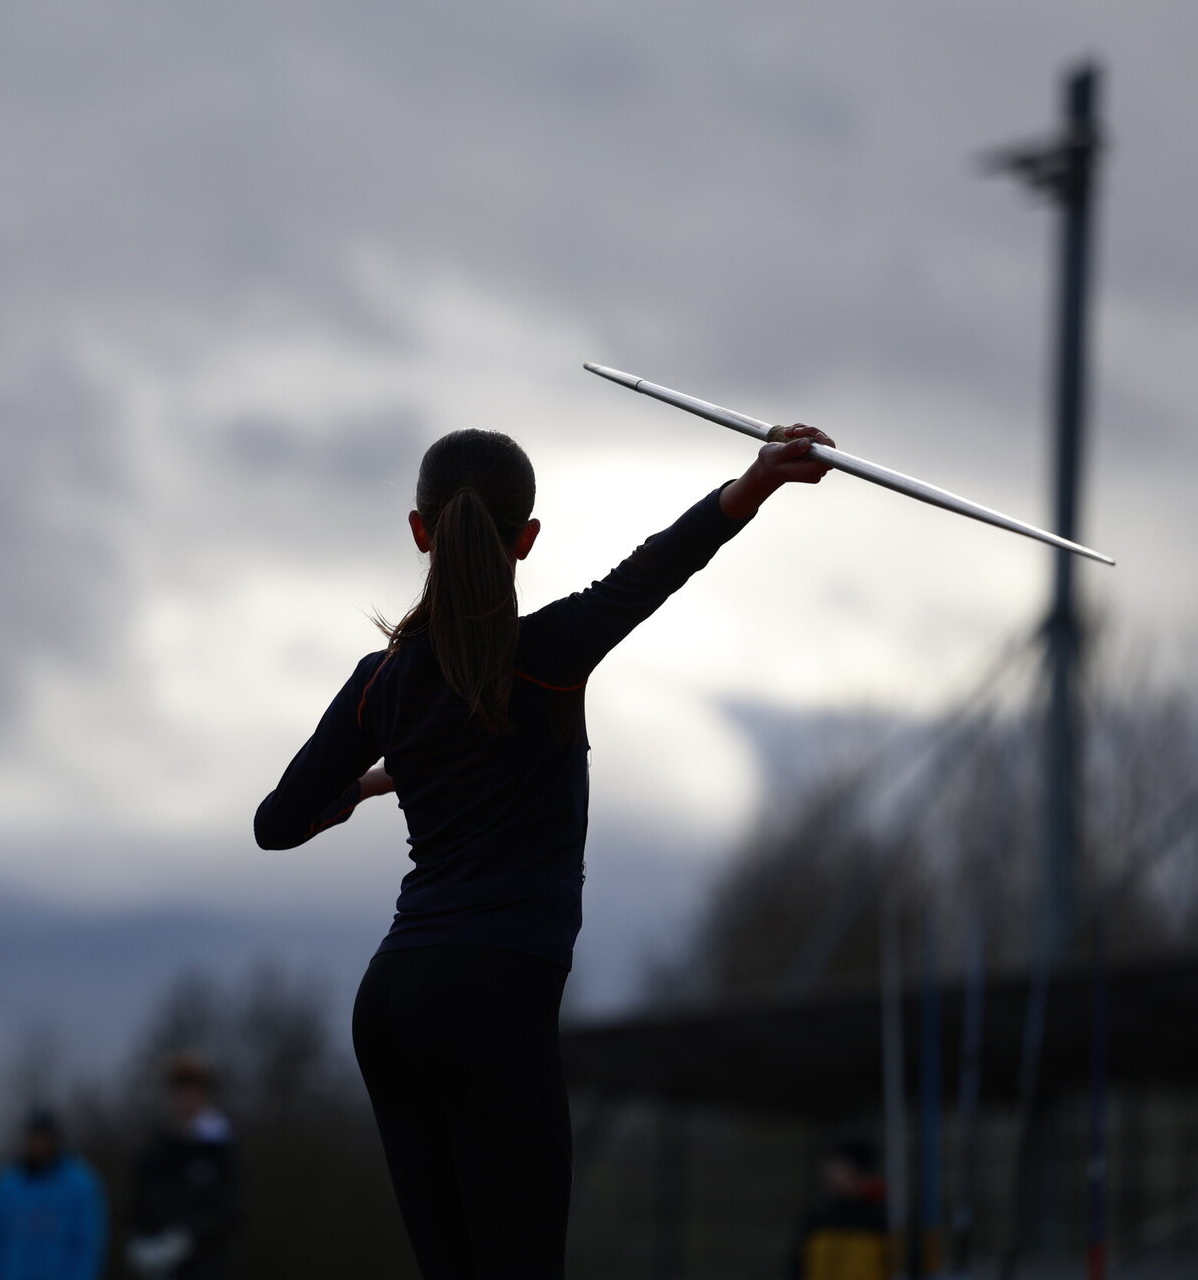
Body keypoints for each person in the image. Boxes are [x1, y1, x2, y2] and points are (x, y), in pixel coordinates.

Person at [255, 423, 835, 1278]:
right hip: (491, 995)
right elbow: (662, 565)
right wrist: (760, 478)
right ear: (527, 539)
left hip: (393, 1003)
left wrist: (370, 785)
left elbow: (277, 824)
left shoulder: (379, 681)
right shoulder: (551, 655)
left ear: (418, 530)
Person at [124, 1054, 240, 1279]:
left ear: (204, 1094)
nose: (186, 1097)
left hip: (208, 1269)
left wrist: (187, 1235)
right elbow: (138, 1206)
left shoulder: (221, 1151)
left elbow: (232, 1209)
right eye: (180, 1089)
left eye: (193, 1089)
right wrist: (140, 1242)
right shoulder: (154, 1152)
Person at [0, 1109, 105, 1280]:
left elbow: (86, 1246)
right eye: (34, 1139)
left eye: (44, 1139)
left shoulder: (79, 1185)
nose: (39, 1145)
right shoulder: (5, 1185)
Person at [786, 1137, 890, 1280]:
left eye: (839, 1169)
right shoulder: (816, 1219)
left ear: (859, 1173)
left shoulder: (881, 1220)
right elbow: (797, 1267)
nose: (830, 1176)